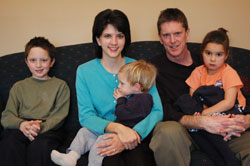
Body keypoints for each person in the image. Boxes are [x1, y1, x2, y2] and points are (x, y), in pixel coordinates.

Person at [52, 9, 163, 166]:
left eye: (120, 36)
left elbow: (157, 110)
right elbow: (86, 116)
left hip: (136, 136)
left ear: (126, 39)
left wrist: (134, 134)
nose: (114, 42)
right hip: (103, 136)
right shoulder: (84, 71)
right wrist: (118, 129)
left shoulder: (139, 68)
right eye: (107, 36)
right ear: (98, 40)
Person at [149, 8, 250, 166]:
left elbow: (239, 96)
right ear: (160, 38)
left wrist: (246, 120)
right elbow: (163, 111)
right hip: (186, 131)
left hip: (225, 128)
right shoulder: (154, 67)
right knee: (166, 131)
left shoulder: (208, 57)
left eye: (177, 33)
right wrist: (201, 121)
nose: (173, 40)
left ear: (187, 33)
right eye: (166, 35)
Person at [51, 60, 157, 166]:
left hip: (123, 133)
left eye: (122, 83)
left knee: (100, 144)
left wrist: (121, 100)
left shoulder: (142, 100)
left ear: (137, 87)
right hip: (114, 129)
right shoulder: (135, 96)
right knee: (85, 131)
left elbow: (123, 114)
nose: (118, 86)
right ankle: (72, 155)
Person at [175, 28, 245, 166]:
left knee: (212, 128)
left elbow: (229, 102)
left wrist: (203, 114)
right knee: (193, 124)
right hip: (206, 113)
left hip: (229, 109)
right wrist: (199, 115)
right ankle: (215, 156)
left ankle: (229, 160)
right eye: (208, 53)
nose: (213, 59)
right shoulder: (198, 72)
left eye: (218, 54)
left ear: (226, 55)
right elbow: (193, 97)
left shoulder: (228, 72)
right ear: (202, 52)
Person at [0, 37, 70, 166]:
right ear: (26, 62)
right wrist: (22, 125)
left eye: (43, 60)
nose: (38, 65)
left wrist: (39, 128)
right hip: (22, 126)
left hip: (48, 128)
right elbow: (7, 116)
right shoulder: (18, 87)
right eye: (33, 60)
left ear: (52, 62)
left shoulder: (61, 86)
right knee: (9, 142)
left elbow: (59, 116)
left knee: (41, 147)